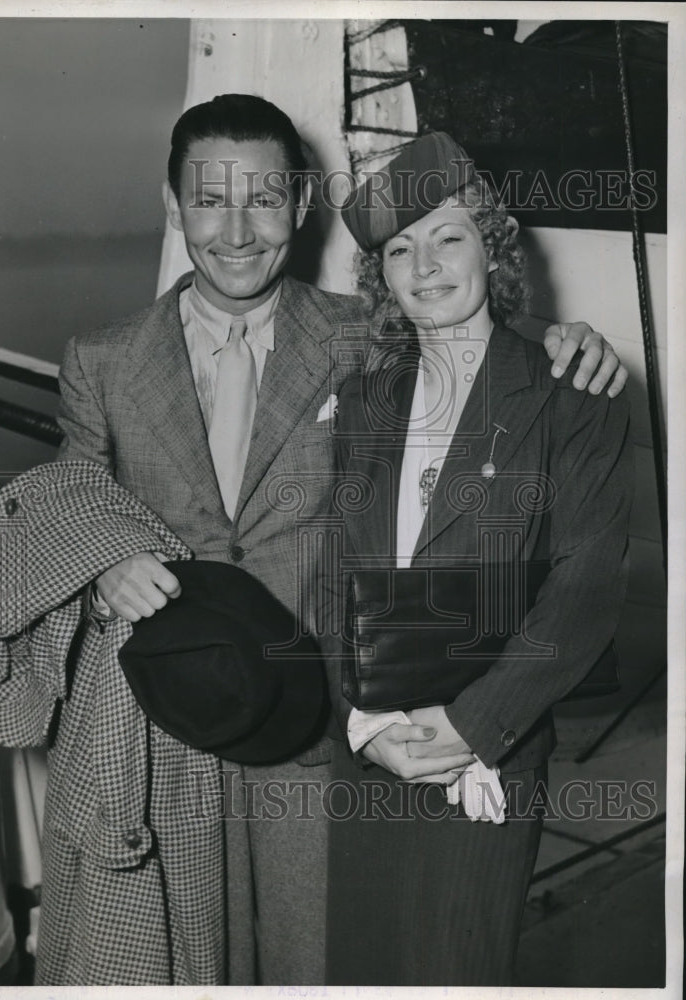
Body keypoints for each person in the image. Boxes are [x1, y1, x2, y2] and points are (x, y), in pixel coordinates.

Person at [55, 96, 623, 985]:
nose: (237, 231)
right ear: (173, 205)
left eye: (264, 199)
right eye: (210, 200)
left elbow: (468, 333)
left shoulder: (357, 339)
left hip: (327, 735)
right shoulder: (102, 359)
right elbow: (71, 496)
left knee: (333, 966)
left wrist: (566, 340)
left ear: (298, 205)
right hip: (176, 718)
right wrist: (105, 563)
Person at [320, 132, 633, 986]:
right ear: (381, 276)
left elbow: (585, 590)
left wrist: (472, 727)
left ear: (490, 248)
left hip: (485, 758)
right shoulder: (363, 400)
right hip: (371, 752)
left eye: (447, 237)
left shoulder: (572, 394)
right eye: (399, 249)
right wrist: (361, 725)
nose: (424, 266)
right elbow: (333, 574)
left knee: (454, 970)